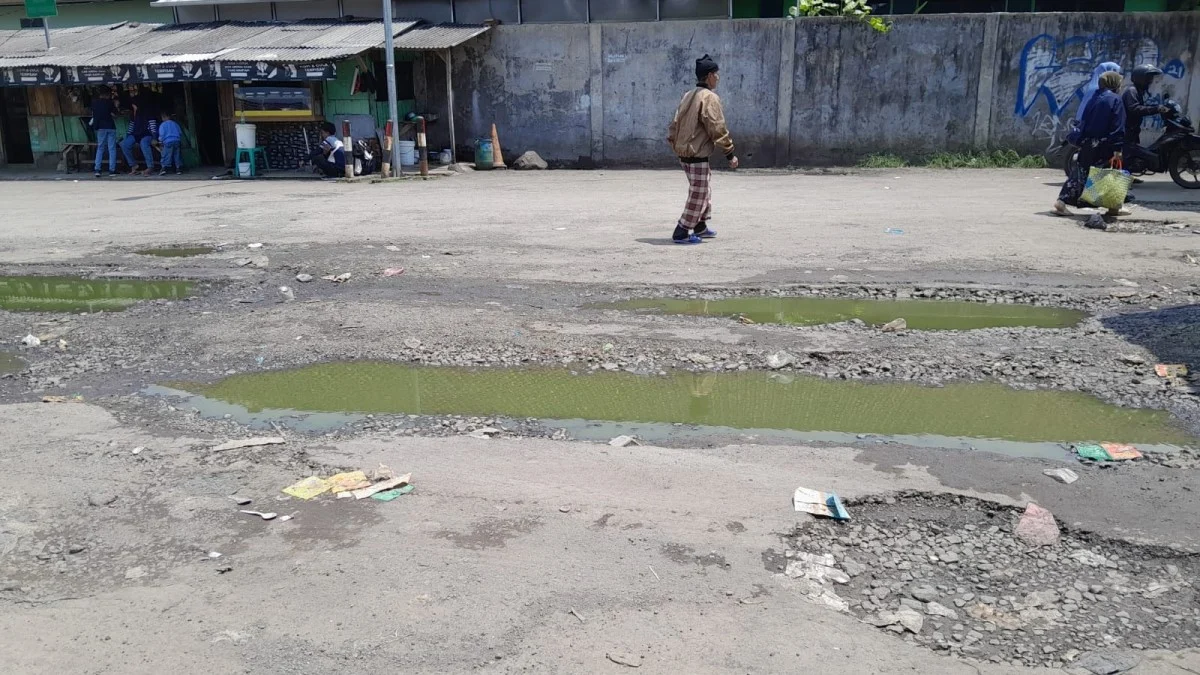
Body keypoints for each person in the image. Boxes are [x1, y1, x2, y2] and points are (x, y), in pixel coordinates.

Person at [666, 54, 738, 245]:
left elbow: (674, 123)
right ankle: (681, 230)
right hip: (696, 152)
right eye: (716, 74)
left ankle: (700, 226)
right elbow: (717, 127)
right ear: (709, 76)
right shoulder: (709, 98)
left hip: (683, 151)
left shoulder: (688, 95)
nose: (718, 77)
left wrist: (674, 143)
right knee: (699, 192)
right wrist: (729, 153)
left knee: (703, 188)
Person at [1055, 71, 1125, 216]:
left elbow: (1084, 121)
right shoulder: (1115, 100)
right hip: (1104, 144)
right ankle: (1113, 207)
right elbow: (1117, 126)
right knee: (1109, 173)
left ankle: (1061, 203)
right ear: (1114, 83)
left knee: (1080, 173)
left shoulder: (1094, 98)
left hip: (1088, 143)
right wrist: (1117, 148)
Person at [1122, 63, 1172, 175]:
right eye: (1148, 78)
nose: (1150, 81)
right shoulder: (1131, 91)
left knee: (1130, 154)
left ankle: (1129, 176)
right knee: (1127, 155)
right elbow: (1134, 109)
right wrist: (1156, 109)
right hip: (1127, 129)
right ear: (1141, 78)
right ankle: (1122, 180)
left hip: (1132, 128)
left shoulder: (1138, 91)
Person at [120, 103, 158, 176]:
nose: (133, 109)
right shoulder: (134, 115)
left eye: (134, 107)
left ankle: (150, 167)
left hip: (147, 134)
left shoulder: (148, 113)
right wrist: (127, 137)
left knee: (143, 143)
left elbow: (153, 128)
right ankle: (134, 165)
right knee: (124, 144)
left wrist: (154, 138)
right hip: (136, 134)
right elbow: (131, 128)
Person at [90, 89, 118, 178]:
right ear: (107, 95)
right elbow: (115, 114)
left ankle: (97, 169)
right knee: (112, 149)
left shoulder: (95, 103)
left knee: (100, 148)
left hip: (100, 128)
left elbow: (94, 115)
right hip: (110, 127)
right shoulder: (110, 103)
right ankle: (112, 170)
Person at [158, 112, 183, 176]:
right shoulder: (175, 124)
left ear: (164, 117)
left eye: (162, 117)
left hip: (168, 141)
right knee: (177, 155)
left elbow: (162, 134)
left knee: (166, 155)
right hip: (177, 141)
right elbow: (180, 133)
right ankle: (178, 169)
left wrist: (160, 142)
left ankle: (163, 169)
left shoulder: (163, 125)